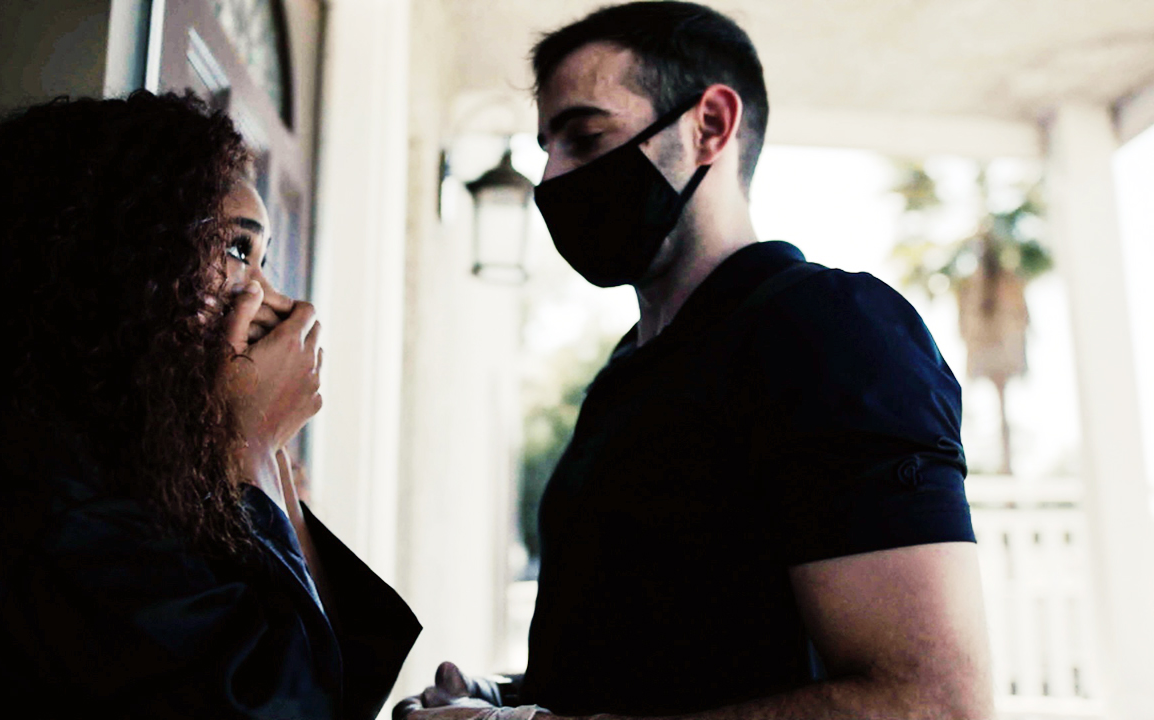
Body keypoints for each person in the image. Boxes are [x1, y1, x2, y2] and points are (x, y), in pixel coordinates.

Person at [399, 3, 993, 719]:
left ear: (709, 125)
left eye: (586, 137)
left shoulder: (828, 331)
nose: (550, 178)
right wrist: (504, 697)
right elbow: (668, 657)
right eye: (546, 146)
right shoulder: (628, 372)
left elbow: (931, 702)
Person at [0, 91, 419, 719]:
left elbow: (340, 680)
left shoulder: (136, 458)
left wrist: (266, 463)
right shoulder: (31, 471)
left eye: (264, 260)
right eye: (237, 250)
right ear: (125, 255)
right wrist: (255, 445)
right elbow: (283, 705)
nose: (271, 299)